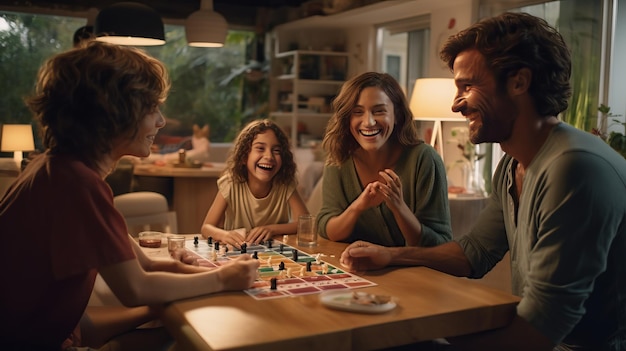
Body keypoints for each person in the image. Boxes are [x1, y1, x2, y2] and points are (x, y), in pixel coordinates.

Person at [339, 12, 626, 351]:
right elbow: (473, 254)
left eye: (468, 86)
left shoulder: (574, 168)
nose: (456, 103)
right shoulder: (511, 166)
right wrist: (392, 255)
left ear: (519, 82)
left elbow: (544, 326)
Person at [0, 41, 260, 351]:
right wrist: (223, 280)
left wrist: (217, 271)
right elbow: (136, 288)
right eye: (152, 109)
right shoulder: (76, 184)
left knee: (173, 325)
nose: (161, 121)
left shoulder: (55, 168)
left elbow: (147, 265)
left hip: (56, 329)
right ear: (114, 114)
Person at [317, 72, 452, 247]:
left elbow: (440, 245)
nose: (369, 122)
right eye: (358, 112)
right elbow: (327, 228)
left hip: (413, 272)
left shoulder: (424, 159)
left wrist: (399, 207)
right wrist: (358, 206)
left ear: (397, 114)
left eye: (379, 111)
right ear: (347, 119)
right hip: (356, 268)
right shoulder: (338, 159)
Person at [201, 119, 309, 247]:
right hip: (237, 254)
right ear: (244, 156)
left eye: (276, 151)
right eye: (260, 148)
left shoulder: (284, 183)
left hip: (272, 255)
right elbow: (206, 228)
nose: (269, 156)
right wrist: (225, 235)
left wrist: (271, 229)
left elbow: (305, 224)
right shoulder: (230, 183)